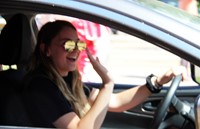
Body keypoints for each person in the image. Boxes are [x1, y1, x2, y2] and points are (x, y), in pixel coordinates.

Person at [23, 20, 187, 129]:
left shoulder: (68, 81)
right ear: (46, 50)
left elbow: (115, 101)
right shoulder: (41, 87)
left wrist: (157, 82)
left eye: (79, 43)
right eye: (67, 44)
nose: (75, 49)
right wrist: (107, 83)